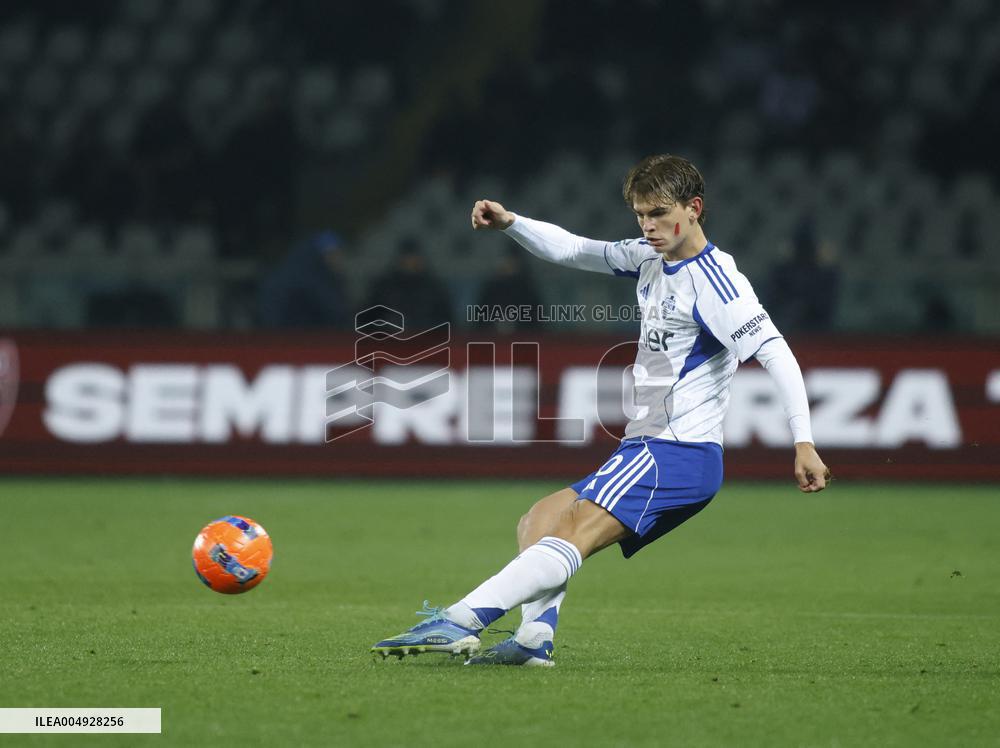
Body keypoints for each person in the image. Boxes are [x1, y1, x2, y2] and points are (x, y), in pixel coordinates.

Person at [371, 154, 831, 666]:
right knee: (541, 519)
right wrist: (512, 223)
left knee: (572, 533)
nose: (648, 226)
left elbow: (776, 352)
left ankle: (459, 619)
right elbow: (575, 250)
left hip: (678, 450)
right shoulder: (650, 256)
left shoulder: (717, 282)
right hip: (650, 446)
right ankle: (531, 641)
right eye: (639, 215)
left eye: (658, 213)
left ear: (694, 208)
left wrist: (803, 440)